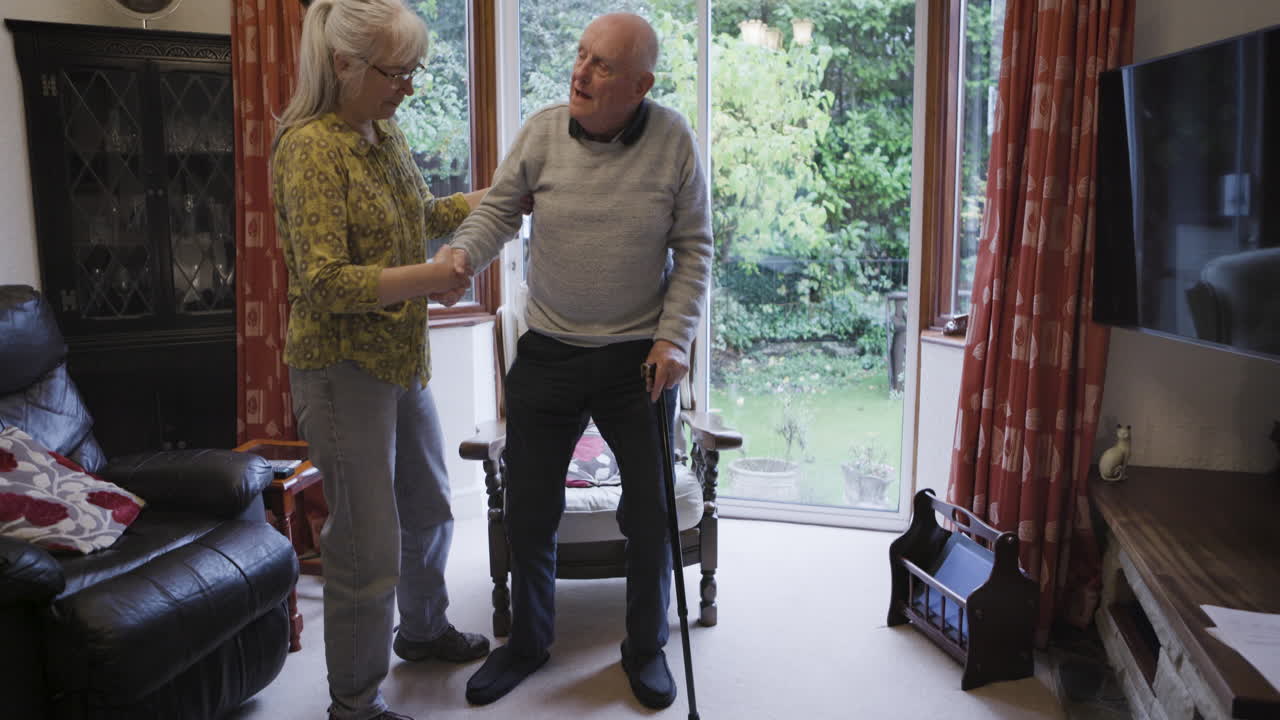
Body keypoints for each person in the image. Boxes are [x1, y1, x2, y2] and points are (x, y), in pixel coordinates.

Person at [440, 12, 713, 710]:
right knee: (530, 511)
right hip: (551, 350)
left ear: (641, 85)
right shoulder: (539, 131)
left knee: (650, 515)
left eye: (602, 66)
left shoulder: (674, 139)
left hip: (638, 359)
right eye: (581, 57)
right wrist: (460, 255)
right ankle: (528, 646)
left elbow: (696, 249)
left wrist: (674, 338)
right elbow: (499, 210)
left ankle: (644, 651)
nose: (581, 73)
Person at [270, 2, 523, 718]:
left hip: (398, 358)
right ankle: (353, 701)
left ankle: (422, 628)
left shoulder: (381, 133)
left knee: (429, 508)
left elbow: (417, 216)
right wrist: (436, 278)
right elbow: (325, 282)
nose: (408, 86)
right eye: (396, 72)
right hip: (340, 368)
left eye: (412, 70)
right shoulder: (310, 147)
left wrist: (495, 199)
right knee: (364, 545)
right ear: (344, 64)